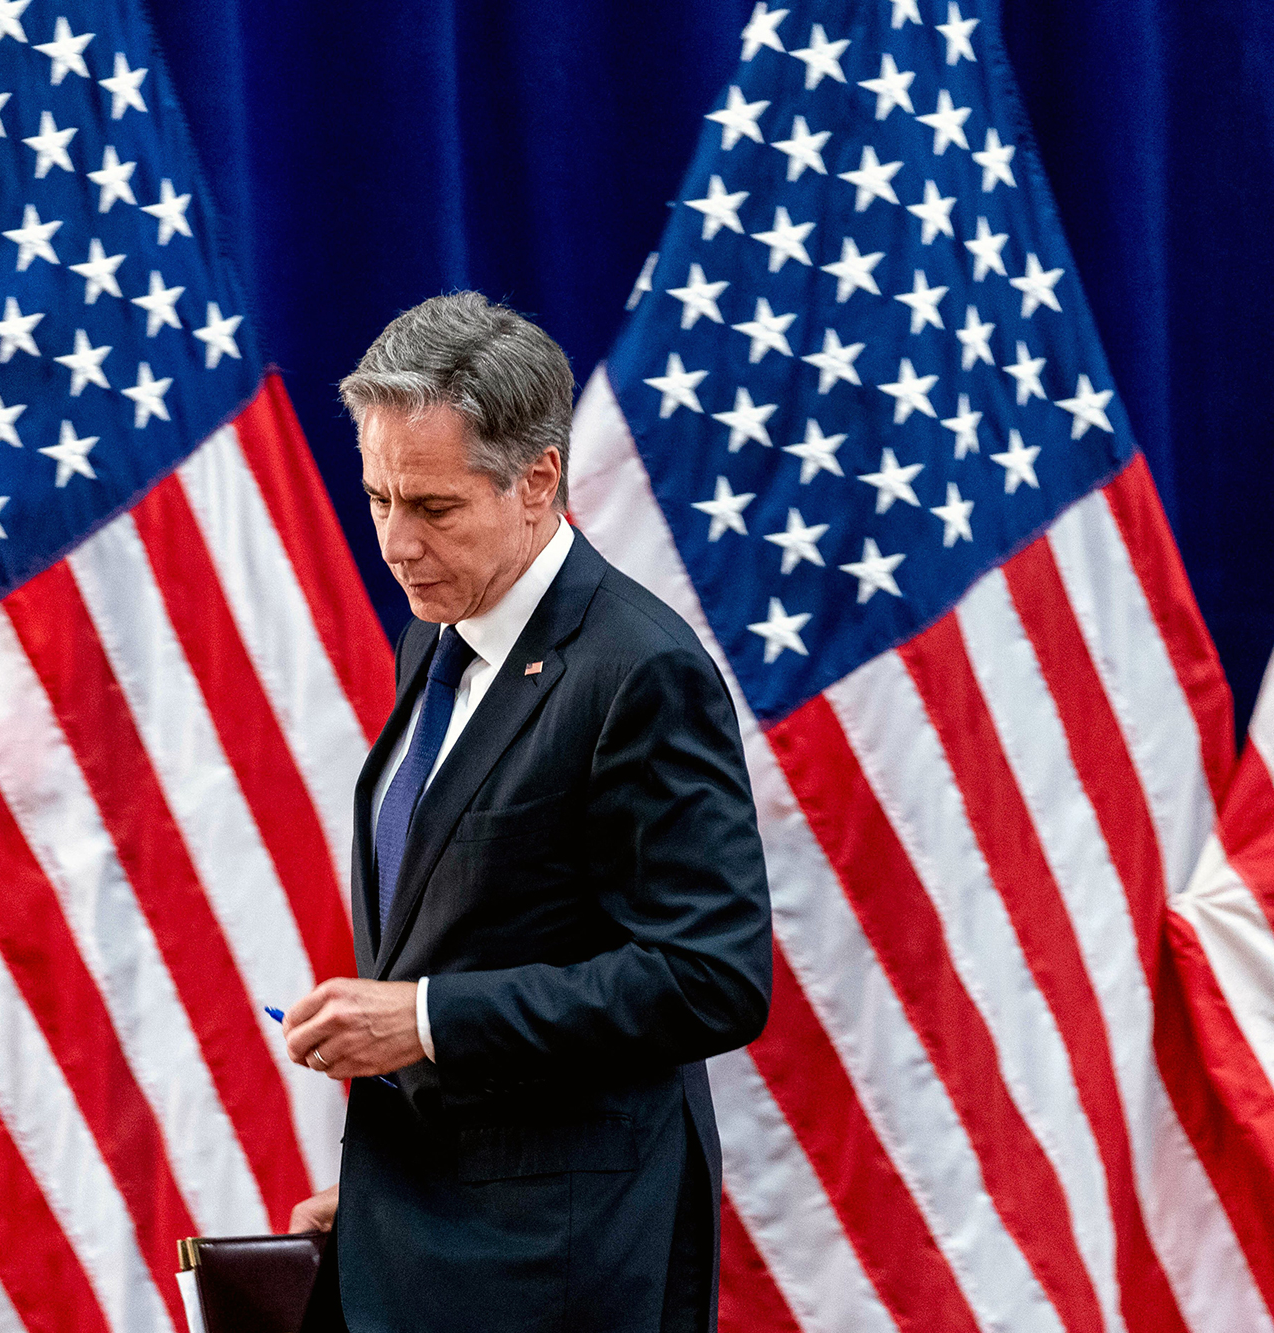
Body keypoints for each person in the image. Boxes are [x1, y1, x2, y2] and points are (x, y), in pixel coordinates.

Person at [280, 292, 772, 1333]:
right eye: (376, 498)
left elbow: (710, 978)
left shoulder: (638, 671)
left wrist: (419, 1017)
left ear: (536, 481)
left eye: (433, 507)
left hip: (561, 1262)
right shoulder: (437, 634)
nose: (395, 543)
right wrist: (383, 1205)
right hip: (429, 1230)